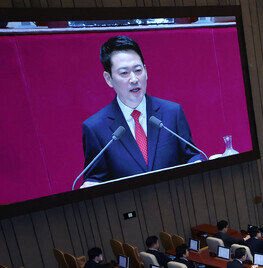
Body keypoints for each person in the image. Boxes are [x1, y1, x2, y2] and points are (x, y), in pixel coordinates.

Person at [80, 35, 202, 186]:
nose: (134, 79)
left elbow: (191, 155)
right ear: (108, 79)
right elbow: (95, 178)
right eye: (124, 73)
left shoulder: (172, 112)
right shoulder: (95, 128)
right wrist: (91, 184)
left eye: (138, 70)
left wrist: (197, 162)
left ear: (146, 70)